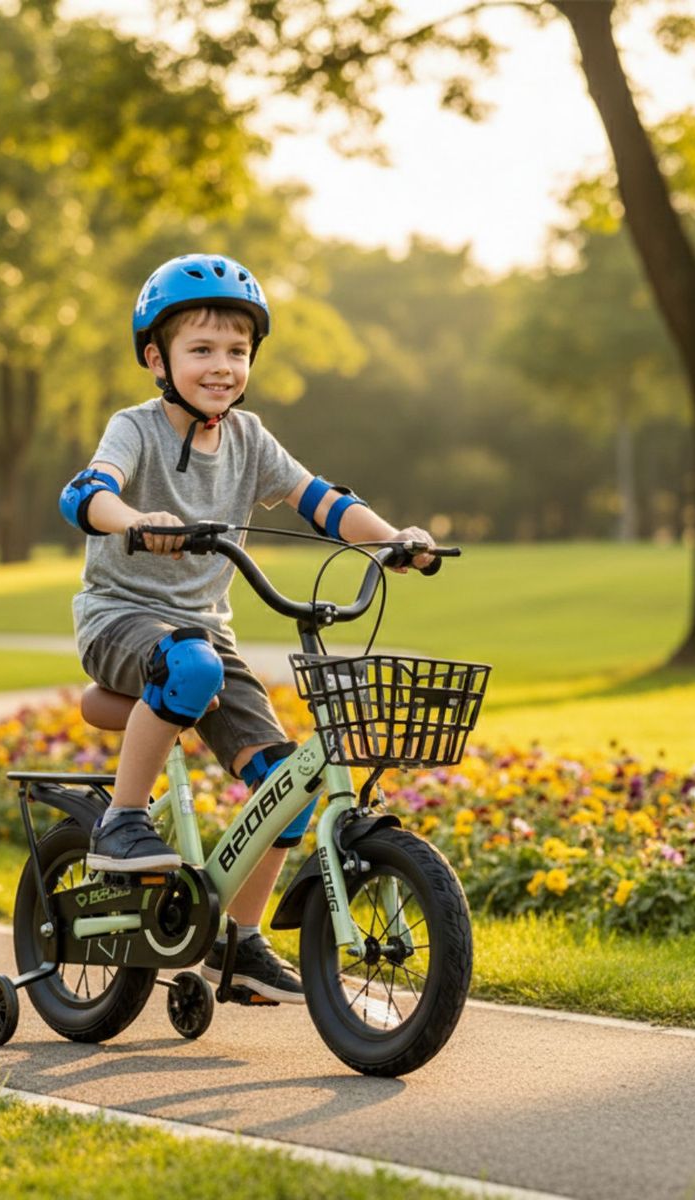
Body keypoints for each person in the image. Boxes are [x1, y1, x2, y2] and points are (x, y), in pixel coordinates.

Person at [59, 252, 436, 1003]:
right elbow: (85, 493)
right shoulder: (133, 428)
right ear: (155, 358)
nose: (222, 366)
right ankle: (121, 825)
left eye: (237, 351)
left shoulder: (249, 439)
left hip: (204, 632)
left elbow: (318, 498)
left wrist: (393, 539)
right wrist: (136, 520)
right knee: (190, 668)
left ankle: (240, 942)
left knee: (284, 787)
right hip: (120, 619)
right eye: (201, 350)